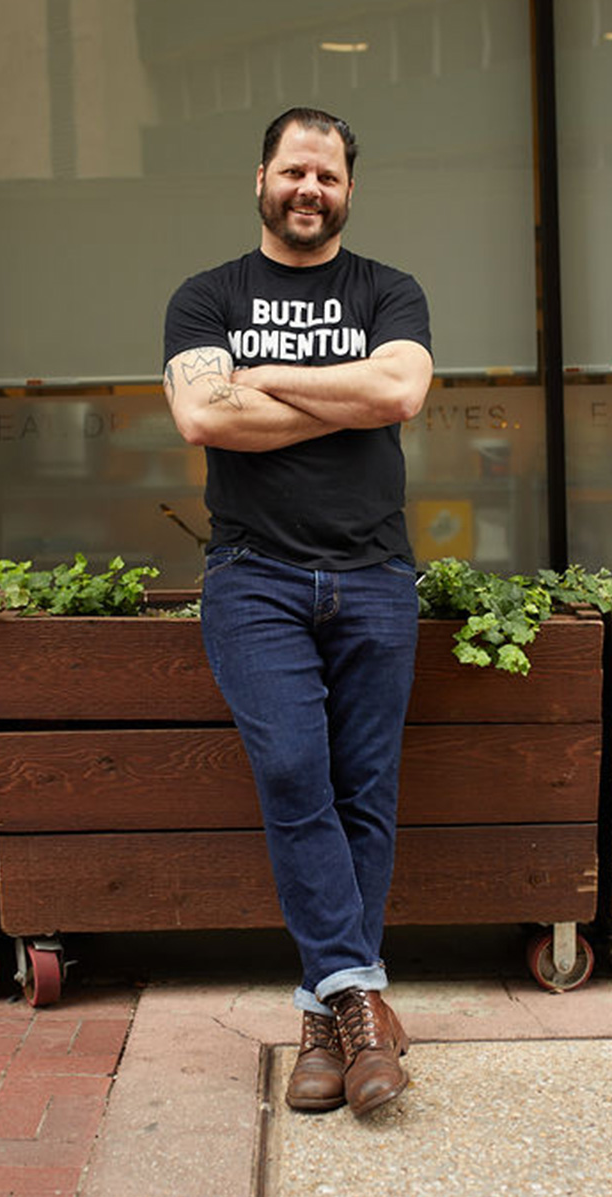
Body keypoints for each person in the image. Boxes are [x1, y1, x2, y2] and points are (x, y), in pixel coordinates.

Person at [163, 107, 432, 1118]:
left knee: (362, 790)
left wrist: (262, 376)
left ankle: (326, 1029)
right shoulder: (206, 297)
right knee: (290, 770)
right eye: (292, 172)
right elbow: (200, 414)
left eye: (326, 176)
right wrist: (342, 389)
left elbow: (399, 393)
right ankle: (360, 997)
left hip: (371, 575)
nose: (308, 189)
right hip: (255, 576)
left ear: (347, 190)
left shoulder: (386, 289)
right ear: (261, 179)